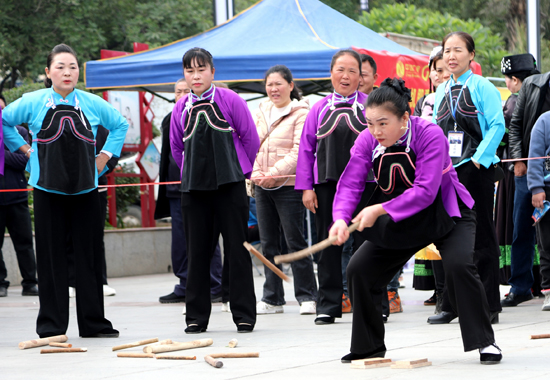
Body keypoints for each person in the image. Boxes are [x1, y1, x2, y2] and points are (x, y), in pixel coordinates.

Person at [330, 77, 501, 365]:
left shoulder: (430, 134)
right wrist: (339, 218)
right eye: (370, 123)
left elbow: (425, 191)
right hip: (400, 217)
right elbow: (350, 184)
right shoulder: (366, 140)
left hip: (446, 211)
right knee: (359, 269)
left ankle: (485, 342)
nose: (375, 131)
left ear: (404, 118)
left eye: (383, 123)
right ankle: (368, 346)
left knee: (459, 265)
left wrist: (377, 210)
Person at [2, 44, 128, 338]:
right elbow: (4, 120)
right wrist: (24, 150)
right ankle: (51, 325)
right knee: (49, 257)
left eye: (72, 66)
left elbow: (119, 125)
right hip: (47, 190)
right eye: (60, 66)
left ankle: (94, 323)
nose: (67, 72)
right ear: (48, 72)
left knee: (89, 257)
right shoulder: (32, 101)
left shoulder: (91, 102)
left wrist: (105, 156)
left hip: (86, 190)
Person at [170, 47, 259, 334]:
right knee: (197, 252)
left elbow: (250, 139)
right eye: (190, 70)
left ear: (212, 71)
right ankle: (196, 317)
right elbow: (176, 147)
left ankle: (244, 314)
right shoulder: (179, 107)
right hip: (194, 190)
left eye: (201, 69)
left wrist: (242, 173)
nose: (195, 76)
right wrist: (191, 172)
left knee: (237, 249)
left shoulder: (230, 99)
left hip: (230, 186)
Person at [432, 31, 505, 324]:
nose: (451, 56)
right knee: (449, 237)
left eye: (458, 50)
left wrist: (476, 161)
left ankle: (489, 305)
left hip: (476, 170)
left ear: (471, 55)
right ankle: (451, 304)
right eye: (447, 50)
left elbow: (498, 126)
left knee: (482, 235)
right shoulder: (439, 91)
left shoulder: (483, 86)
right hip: (447, 173)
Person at [296, 49, 368, 325]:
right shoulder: (318, 108)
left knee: (367, 244)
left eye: (352, 71)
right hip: (326, 186)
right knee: (329, 247)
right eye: (340, 69)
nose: (346, 76)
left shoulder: (370, 105)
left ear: (361, 77)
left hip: (365, 185)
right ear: (331, 74)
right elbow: (306, 150)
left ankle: (373, 302)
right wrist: (306, 187)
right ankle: (327, 305)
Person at [252, 65, 318, 315]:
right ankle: (272, 298)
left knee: (295, 241)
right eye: (269, 84)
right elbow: (252, 145)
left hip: (288, 185)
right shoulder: (261, 111)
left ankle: (307, 296)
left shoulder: (302, 113)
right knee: (268, 243)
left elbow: (299, 150)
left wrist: (273, 173)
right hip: (261, 185)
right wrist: (258, 174)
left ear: (291, 86)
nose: (273, 89)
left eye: (279, 84)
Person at [155, 78, 223, 306]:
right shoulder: (170, 118)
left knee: (205, 236)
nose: (181, 94)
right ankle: (185, 284)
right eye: (177, 91)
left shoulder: (205, 112)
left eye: (186, 90)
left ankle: (215, 284)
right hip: (175, 187)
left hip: (201, 186)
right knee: (181, 241)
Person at [506, 64, 550, 306]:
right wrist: (518, 160)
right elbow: (515, 126)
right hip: (530, 171)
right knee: (522, 227)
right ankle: (520, 286)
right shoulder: (533, 85)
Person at [495, 54, 539, 287]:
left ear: (514, 79)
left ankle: (521, 283)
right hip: (530, 167)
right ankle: (536, 279)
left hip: (520, 171)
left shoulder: (513, 101)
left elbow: (508, 132)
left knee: (520, 225)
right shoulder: (537, 95)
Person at [412, 48, 450, 310]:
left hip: (455, 174)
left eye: (442, 69)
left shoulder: (464, 97)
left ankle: (456, 296)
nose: (437, 75)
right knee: (432, 236)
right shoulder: (425, 101)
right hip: (427, 175)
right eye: (434, 70)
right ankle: (441, 295)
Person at [0, 95, 38, 298]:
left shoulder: (20, 132)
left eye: (2, 109)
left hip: (17, 196)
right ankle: (1, 282)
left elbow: (25, 161)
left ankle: (30, 282)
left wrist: (2, 154)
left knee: (24, 243)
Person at [527, 111, 550, 311]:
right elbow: (534, 157)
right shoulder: (544, 121)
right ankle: (549, 292)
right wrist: (537, 188)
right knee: (547, 243)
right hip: (547, 192)